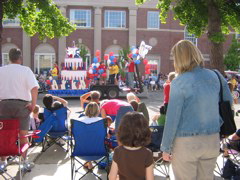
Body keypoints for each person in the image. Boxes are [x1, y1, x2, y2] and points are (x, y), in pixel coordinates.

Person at [161, 40, 232, 179]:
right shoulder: (216, 76)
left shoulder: (179, 82)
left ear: (179, 58)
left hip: (185, 143)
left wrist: (165, 147)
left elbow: (173, 118)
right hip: (211, 140)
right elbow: (228, 104)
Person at [0, 48, 39, 170]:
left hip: (3, 105)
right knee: (23, 135)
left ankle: (3, 162)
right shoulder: (26, 70)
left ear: (9, 58)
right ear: (20, 58)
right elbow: (34, 88)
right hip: (22, 105)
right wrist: (33, 104)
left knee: (4, 134)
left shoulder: (1, 70)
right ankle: (23, 162)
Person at [108, 112, 154, 180]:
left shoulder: (118, 151)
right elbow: (150, 178)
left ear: (122, 131)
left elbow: (111, 177)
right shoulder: (147, 153)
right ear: (145, 131)